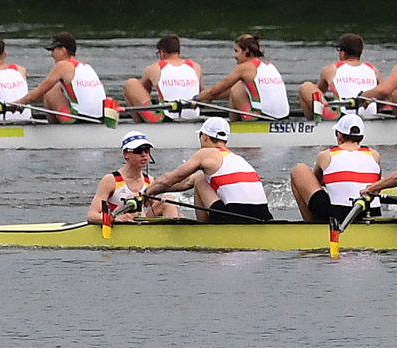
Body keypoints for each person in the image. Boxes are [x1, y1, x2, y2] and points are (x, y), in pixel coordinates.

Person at [139, 118, 272, 222]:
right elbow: (186, 182)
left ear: (205, 137)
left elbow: (169, 180)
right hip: (263, 215)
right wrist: (153, 191)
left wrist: (145, 194)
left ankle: (204, 230)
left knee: (200, 181)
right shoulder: (237, 159)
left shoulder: (207, 153)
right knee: (199, 178)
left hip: (236, 216)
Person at [289, 115, 381, 226]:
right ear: (361, 138)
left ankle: (312, 225)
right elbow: (377, 185)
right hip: (372, 213)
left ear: (339, 135)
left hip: (339, 214)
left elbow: (316, 183)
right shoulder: (375, 155)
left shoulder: (326, 155)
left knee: (299, 170)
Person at [90, 131, 181, 223]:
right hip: (120, 227)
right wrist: (114, 219)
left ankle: (174, 230)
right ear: (126, 154)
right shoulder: (111, 180)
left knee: (168, 201)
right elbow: (92, 216)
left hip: (140, 223)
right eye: (138, 151)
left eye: (147, 150)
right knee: (134, 199)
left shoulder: (149, 180)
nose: (144, 155)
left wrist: (175, 213)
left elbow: (156, 206)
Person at [14, 33, 109, 121]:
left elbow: (35, 95)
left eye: (53, 50)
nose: (52, 55)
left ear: (63, 50)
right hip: (101, 118)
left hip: (82, 120)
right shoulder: (86, 67)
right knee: (56, 87)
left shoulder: (63, 65)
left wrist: (15, 104)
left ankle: (53, 131)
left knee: (50, 92)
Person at [198, 34, 291, 120]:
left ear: (246, 51)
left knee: (236, 89)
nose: (235, 56)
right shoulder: (269, 65)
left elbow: (214, 91)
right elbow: (221, 92)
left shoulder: (245, 67)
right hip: (283, 117)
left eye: (236, 51)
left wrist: (195, 99)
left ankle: (234, 130)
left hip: (263, 118)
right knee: (238, 86)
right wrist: (206, 98)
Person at [300, 32, 378, 119]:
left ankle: (313, 126)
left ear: (343, 53)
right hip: (371, 117)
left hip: (341, 117)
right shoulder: (373, 70)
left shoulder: (330, 69)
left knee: (306, 87)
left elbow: (318, 96)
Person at [121, 34, 200, 120]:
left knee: (130, 84)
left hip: (167, 118)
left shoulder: (154, 68)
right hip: (194, 116)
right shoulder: (196, 67)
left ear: (162, 52)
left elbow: (142, 96)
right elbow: (202, 94)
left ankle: (139, 125)